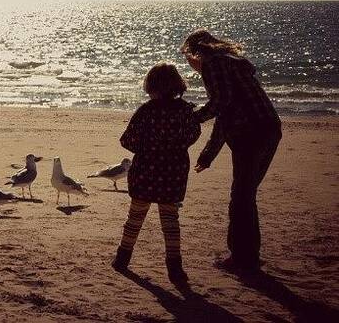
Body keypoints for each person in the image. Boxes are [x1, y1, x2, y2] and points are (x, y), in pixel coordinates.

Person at [181, 29, 282, 273]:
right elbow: (225, 114)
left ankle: (242, 258)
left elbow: (220, 104)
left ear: (196, 52)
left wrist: (191, 119)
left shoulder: (213, 64)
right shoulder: (232, 64)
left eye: (188, 57)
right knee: (245, 194)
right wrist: (208, 155)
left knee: (242, 196)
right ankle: (248, 255)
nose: (190, 65)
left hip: (250, 134)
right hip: (269, 129)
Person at [112, 63, 201, 283]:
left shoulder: (147, 110)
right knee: (170, 221)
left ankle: (122, 259)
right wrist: (176, 146)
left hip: (146, 171)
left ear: (151, 85)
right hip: (174, 172)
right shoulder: (184, 110)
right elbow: (193, 134)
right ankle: (175, 269)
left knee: (135, 217)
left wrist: (147, 147)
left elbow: (127, 140)